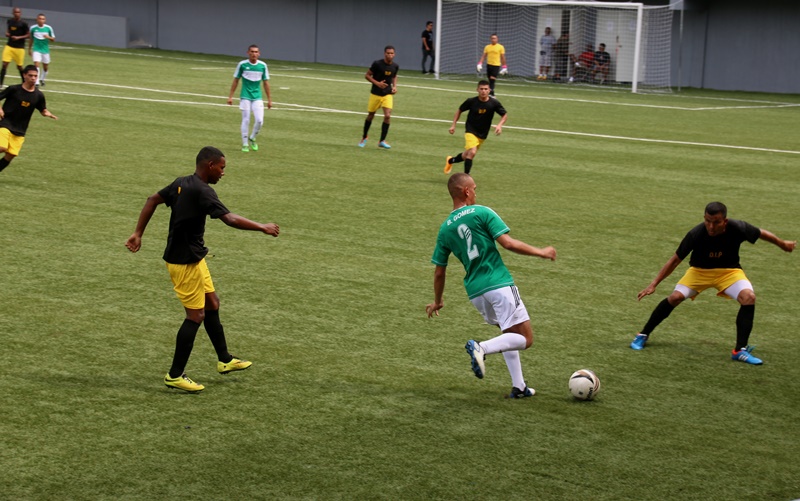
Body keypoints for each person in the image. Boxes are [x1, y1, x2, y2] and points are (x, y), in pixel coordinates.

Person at [126, 146, 280, 392]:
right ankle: (175, 375)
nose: (223, 173)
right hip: (184, 262)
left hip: (195, 258)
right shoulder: (203, 191)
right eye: (222, 168)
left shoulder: (181, 182)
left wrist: (138, 233)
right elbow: (229, 219)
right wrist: (262, 227)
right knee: (195, 316)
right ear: (210, 166)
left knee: (212, 304)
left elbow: (152, 199)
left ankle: (225, 360)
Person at [426, 173, 556, 398]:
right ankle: (482, 348)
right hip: (498, 284)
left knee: (508, 333)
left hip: (476, 292)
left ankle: (519, 387)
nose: (476, 193)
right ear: (466, 191)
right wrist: (541, 252)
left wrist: (438, 301)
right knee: (525, 339)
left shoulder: (445, 228)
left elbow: (439, 272)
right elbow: (508, 243)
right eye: (474, 189)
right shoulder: (481, 212)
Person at [631, 202, 796, 365]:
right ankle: (643, 334)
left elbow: (760, 233)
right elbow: (675, 260)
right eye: (707, 221)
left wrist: (782, 244)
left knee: (749, 297)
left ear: (725, 221)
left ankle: (739, 351)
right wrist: (653, 284)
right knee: (675, 297)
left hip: (729, 272)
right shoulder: (696, 234)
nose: (711, 226)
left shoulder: (738, 227)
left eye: (716, 222)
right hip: (699, 272)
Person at [0, 65, 57, 173]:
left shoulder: (39, 95)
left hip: (20, 129)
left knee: (11, 155)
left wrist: (47, 113)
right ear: (24, 75)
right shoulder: (13, 89)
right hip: (5, 124)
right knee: (2, 147)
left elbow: (42, 109)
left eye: (35, 76)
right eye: (30, 75)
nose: (33, 78)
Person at [444, 80, 507, 175]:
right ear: (477, 89)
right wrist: (453, 125)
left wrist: (499, 125)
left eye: (485, 89)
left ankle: (450, 160)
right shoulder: (471, 101)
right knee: (472, 152)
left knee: (466, 155)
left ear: (489, 90)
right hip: (470, 130)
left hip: (482, 133)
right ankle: (466, 176)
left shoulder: (494, 103)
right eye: (481, 89)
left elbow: (504, 115)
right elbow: (459, 110)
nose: (483, 91)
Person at [227, 44, 272, 153]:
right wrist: (230, 96)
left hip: (257, 97)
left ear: (259, 53)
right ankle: (245, 144)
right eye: (252, 51)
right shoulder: (242, 65)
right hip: (245, 96)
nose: (254, 54)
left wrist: (269, 100)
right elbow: (236, 80)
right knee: (246, 119)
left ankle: (252, 137)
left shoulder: (262, 66)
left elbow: (266, 83)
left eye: (256, 52)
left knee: (260, 120)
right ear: (248, 53)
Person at [358, 45, 398, 149]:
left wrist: (394, 87)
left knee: (387, 116)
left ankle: (382, 141)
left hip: (387, 94)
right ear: (385, 54)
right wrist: (377, 83)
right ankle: (364, 137)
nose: (390, 55)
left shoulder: (395, 66)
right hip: (375, 94)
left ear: (394, 54)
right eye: (388, 53)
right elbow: (367, 75)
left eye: (392, 53)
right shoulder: (377, 64)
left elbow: (394, 76)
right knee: (371, 115)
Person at [1, 7, 29, 88]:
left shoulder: (23, 24)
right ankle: (0, 83)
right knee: (4, 64)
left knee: (19, 66)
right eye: (15, 12)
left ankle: (24, 82)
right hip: (9, 46)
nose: (17, 14)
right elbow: (8, 30)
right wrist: (7, 33)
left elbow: (28, 35)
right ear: (13, 13)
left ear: (20, 13)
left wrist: (18, 37)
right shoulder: (10, 21)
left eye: (18, 12)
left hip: (19, 48)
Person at [28, 13, 54, 87]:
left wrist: (48, 37)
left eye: (43, 19)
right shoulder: (33, 28)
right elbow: (31, 39)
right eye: (40, 18)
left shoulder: (48, 28)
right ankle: (36, 82)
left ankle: (42, 79)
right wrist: (29, 49)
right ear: (37, 19)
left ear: (45, 20)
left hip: (45, 50)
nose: (41, 20)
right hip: (36, 49)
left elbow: (53, 39)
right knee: (36, 65)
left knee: (45, 67)